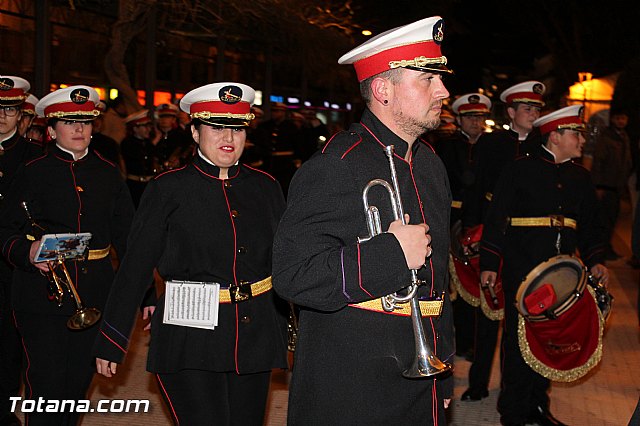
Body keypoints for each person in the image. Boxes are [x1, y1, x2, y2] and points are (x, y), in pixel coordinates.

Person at [272, 16, 455, 424]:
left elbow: (439, 284)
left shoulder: (429, 165)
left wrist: (443, 374)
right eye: (426, 79)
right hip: (352, 387)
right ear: (382, 90)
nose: (443, 90)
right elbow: (291, 274)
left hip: (420, 381)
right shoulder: (336, 164)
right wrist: (389, 253)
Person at [93, 82, 288, 426]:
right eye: (216, 127)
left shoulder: (266, 187)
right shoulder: (167, 188)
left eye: (236, 128)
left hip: (254, 336)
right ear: (195, 133)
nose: (228, 137)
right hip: (189, 337)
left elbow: (286, 261)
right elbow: (135, 268)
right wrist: (113, 339)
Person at [0, 85, 135, 425]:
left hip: (95, 292)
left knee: (76, 389)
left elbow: (128, 238)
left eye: (86, 122)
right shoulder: (33, 171)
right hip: (40, 295)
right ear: (51, 129)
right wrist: (27, 251)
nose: (79, 129)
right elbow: (5, 230)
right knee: (45, 389)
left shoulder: (108, 173)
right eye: (69, 122)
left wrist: (144, 293)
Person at [479, 105, 608, 426]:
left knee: (550, 336)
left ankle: (538, 405)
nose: (581, 140)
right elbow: (496, 220)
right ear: (555, 136)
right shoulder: (518, 169)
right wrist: (490, 263)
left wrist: (595, 261)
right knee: (517, 340)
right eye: (576, 133)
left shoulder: (581, 177)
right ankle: (513, 410)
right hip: (521, 269)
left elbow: (591, 227)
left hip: (563, 274)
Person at [460, 81, 546, 403]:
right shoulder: (491, 143)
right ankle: (478, 382)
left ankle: (515, 389)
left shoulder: (541, 146)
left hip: (524, 241)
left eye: (538, 109)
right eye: (528, 109)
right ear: (511, 112)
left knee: (521, 317)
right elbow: (475, 188)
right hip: (491, 235)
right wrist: (469, 230)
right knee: (487, 316)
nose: (534, 114)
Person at [0, 75, 43, 426]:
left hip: (14, 266)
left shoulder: (35, 157)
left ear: (21, 115)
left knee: (11, 347)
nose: (2, 115)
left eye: (9, 109)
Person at [436, 93, 491, 362]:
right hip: (453, 222)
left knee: (478, 284)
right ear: (459, 119)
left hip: (482, 222)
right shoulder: (447, 146)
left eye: (479, 117)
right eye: (470, 117)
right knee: (454, 285)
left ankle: (472, 343)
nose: (475, 122)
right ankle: (454, 339)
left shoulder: (492, 147)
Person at [591, 109, 632, 260]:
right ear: (613, 120)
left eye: (624, 118)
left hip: (617, 186)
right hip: (605, 185)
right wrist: (598, 185)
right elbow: (598, 161)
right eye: (618, 118)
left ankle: (607, 247)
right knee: (604, 221)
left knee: (612, 219)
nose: (621, 121)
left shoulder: (624, 137)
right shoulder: (606, 137)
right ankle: (601, 250)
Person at [120, 109, 159, 207]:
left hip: (148, 185)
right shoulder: (127, 143)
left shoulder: (149, 144)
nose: (148, 129)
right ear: (135, 129)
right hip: (134, 185)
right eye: (144, 126)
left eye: (148, 126)